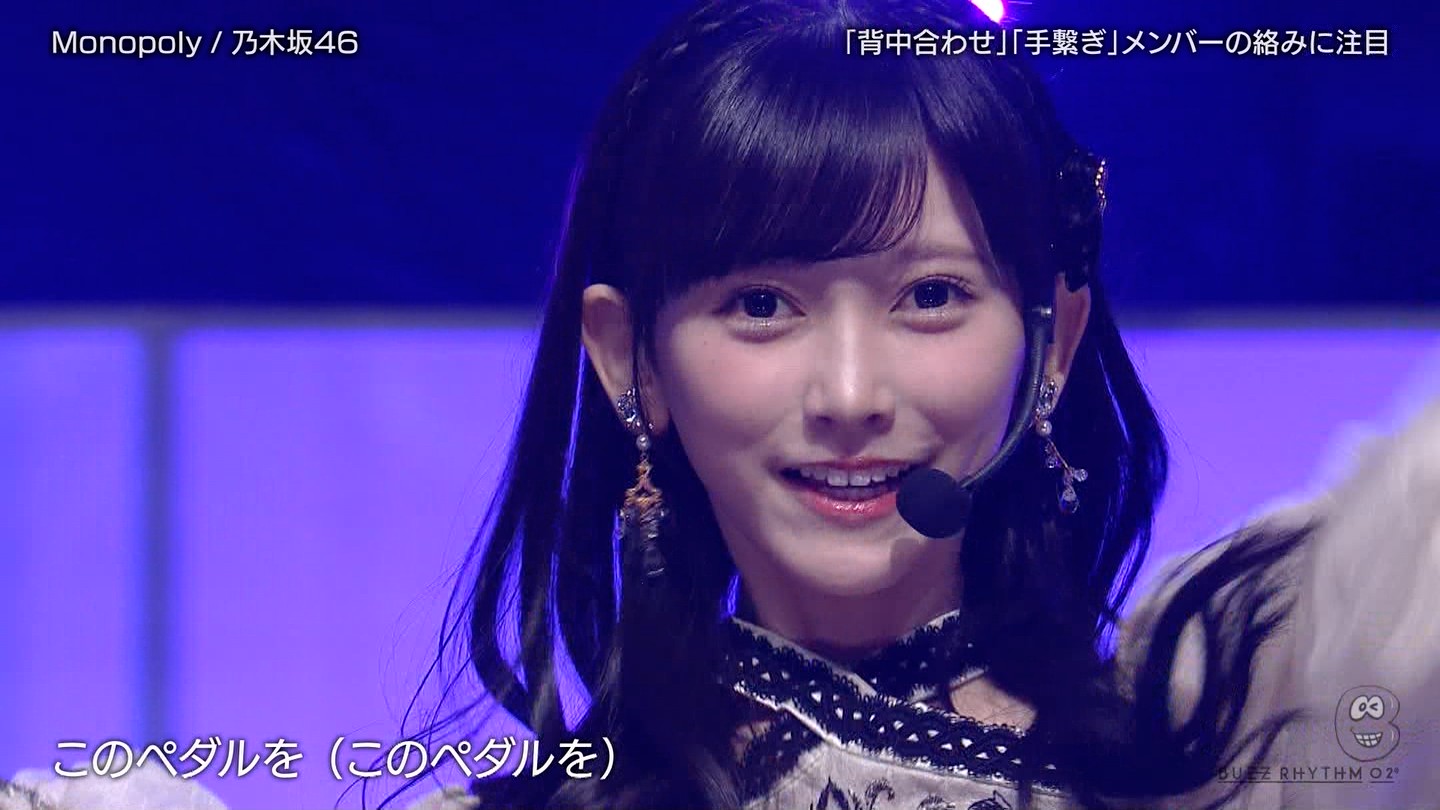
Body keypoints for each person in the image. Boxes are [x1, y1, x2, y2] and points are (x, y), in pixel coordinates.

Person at [4, 2, 1435, 809]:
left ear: (1050, 337)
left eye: (933, 296)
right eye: (761, 304)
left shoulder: (1221, 735)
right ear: (632, 359)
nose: (853, 395)